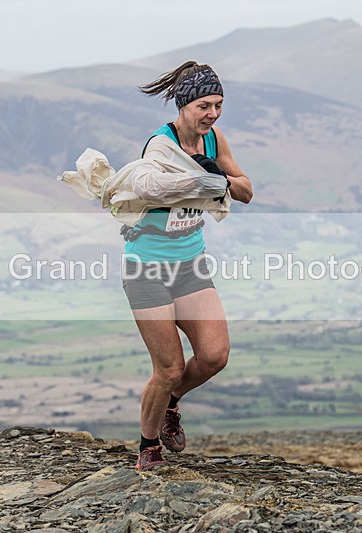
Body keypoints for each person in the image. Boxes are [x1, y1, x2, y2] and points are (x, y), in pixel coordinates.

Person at [126, 61, 253, 471]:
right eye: (203, 106)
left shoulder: (214, 140)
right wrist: (200, 180)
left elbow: (247, 191)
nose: (212, 114)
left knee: (215, 356)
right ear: (183, 106)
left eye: (218, 104)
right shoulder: (160, 148)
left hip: (190, 265)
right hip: (147, 268)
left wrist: (219, 178)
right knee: (169, 367)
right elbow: (150, 185)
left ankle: (170, 406)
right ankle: (148, 447)